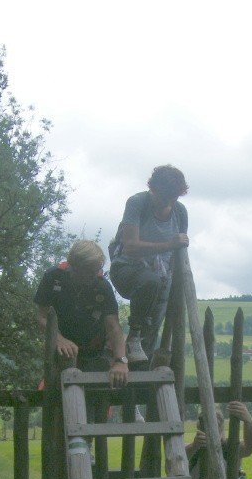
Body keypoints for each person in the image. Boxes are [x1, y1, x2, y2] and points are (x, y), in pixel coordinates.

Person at [109, 165, 189, 363]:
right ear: (153, 189)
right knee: (150, 282)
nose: (169, 202)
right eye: (165, 196)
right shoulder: (138, 203)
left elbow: (179, 251)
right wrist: (169, 244)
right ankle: (133, 334)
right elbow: (130, 246)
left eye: (174, 197)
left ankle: (138, 375)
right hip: (127, 268)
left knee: (151, 333)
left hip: (163, 277)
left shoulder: (179, 212)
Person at [34, 240, 128, 389]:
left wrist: (120, 361)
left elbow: (114, 326)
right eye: (90, 271)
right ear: (74, 266)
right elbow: (41, 317)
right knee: (58, 393)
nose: (95, 275)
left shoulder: (102, 285)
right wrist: (59, 339)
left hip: (95, 351)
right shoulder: (53, 277)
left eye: (97, 270)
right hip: (63, 350)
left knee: (95, 397)